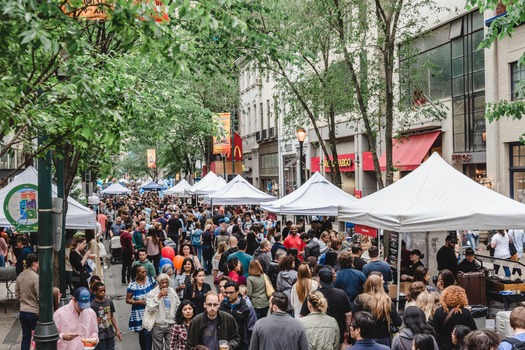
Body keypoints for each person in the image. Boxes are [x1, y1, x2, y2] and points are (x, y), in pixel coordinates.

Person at [299, 267, 352, 348]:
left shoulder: (313, 295)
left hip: (315, 336)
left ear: (319, 279)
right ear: (332, 278)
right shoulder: (341, 294)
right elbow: (348, 314)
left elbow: (303, 315)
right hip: (338, 333)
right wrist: (347, 330)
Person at [354, 274, 402, 347]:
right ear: (381, 285)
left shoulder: (361, 299)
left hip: (364, 337)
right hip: (383, 338)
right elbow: (398, 321)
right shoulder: (387, 301)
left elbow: (355, 317)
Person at [430, 286, 477, 350]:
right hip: (460, 345)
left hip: (443, 346)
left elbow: (434, 331)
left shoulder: (439, 312)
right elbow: (473, 331)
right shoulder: (465, 313)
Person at [145, 273, 180, 350]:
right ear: (159, 283)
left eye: (166, 282)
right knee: (158, 347)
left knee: (171, 347)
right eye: (162, 283)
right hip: (158, 325)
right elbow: (150, 309)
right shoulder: (152, 293)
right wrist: (159, 296)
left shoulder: (172, 292)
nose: (164, 285)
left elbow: (178, 305)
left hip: (171, 323)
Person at [220, 281, 257, 350]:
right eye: (226, 293)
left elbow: (252, 327)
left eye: (231, 293)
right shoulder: (221, 306)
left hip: (242, 343)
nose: (228, 295)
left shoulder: (246, 306)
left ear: (237, 292)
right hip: (225, 343)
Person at [127, 265, 157, 350]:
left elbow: (156, 292)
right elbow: (127, 300)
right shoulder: (132, 285)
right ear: (137, 273)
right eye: (142, 272)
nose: (145, 273)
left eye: (145, 271)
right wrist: (137, 302)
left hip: (150, 311)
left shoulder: (151, 280)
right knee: (142, 334)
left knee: (148, 333)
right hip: (139, 312)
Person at [16, 254, 39, 350]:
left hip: (23, 310)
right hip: (33, 311)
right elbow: (39, 295)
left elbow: (17, 293)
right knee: (36, 337)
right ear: (34, 263)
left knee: (26, 337)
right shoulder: (36, 277)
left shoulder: (21, 275)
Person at [90, 282, 122, 350]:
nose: (103, 293)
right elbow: (93, 323)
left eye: (104, 291)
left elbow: (111, 316)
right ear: (95, 292)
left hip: (110, 333)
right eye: (100, 291)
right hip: (100, 335)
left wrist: (117, 330)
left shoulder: (109, 302)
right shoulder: (92, 305)